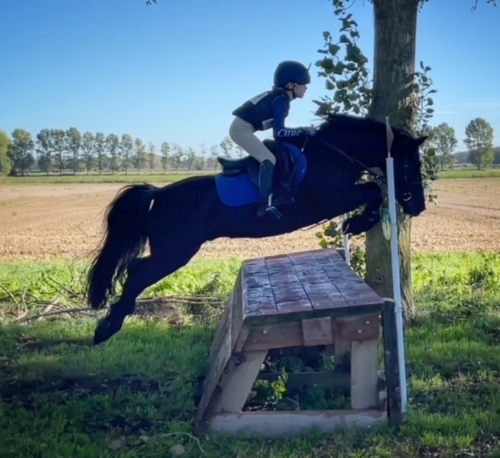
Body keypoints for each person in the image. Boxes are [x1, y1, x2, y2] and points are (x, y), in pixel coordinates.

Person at [229, 60, 316, 218]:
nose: (306, 88)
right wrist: (303, 132)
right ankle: (265, 204)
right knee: (268, 158)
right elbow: (280, 133)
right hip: (241, 130)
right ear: (291, 85)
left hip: (244, 127)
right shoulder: (281, 101)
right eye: (303, 84)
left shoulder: (280, 97)